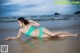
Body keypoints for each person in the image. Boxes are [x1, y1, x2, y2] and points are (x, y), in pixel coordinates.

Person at [4, 17, 79, 41]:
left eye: (18, 22)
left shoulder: (29, 23)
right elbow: (17, 37)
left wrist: (31, 20)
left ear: (22, 21)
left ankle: (73, 34)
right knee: (54, 36)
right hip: (40, 36)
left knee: (53, 34)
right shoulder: (20, 30)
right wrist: (10, 37)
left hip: (41, 30)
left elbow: (38, 24)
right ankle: (70, 35)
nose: (17, 24)